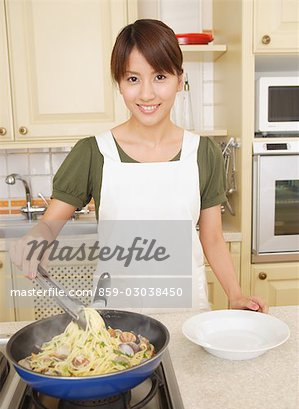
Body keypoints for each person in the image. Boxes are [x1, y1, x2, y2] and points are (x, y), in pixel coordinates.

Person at [10, 19, 268, 313]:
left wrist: (234, 295)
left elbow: (212, 238)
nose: (146, 94)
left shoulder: (203, 152)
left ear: (179, 79)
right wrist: (35, 241)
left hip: (188, 315)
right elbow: (48, 227)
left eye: (160, 77)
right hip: (117, 320)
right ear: (119, 83)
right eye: (133, 79)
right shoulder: (94, 152)